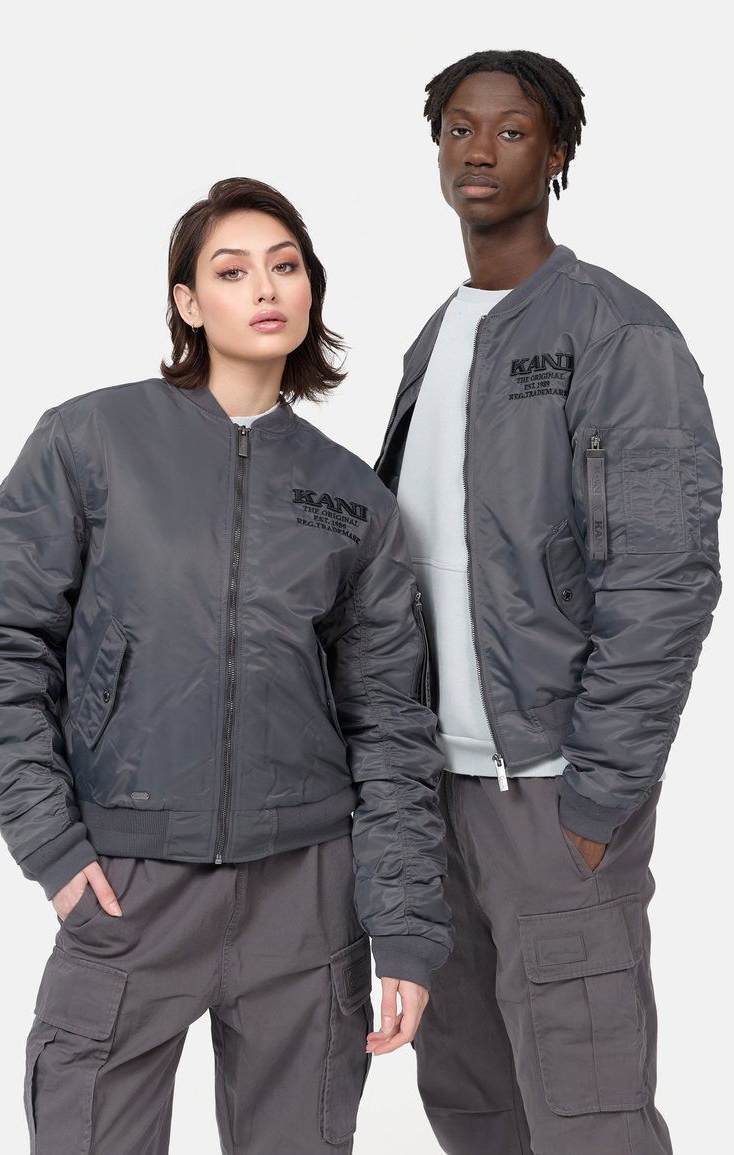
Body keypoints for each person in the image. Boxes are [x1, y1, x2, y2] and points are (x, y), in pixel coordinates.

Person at [0, 176, 452, 1155]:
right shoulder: (90, 441)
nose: (264, 287)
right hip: (129, 881)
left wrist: (406, 925)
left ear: (310, 290)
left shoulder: (351, 498)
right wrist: (53, 846)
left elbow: (390, 721)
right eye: (231, 270)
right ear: (186, 302)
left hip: (307, 893)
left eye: (285, 265)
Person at [374, 49, 722, 1155]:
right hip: (433, 794)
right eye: (458, 129)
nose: (478, 151)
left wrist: (597, 797)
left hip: (550, 793)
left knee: (588, 1113)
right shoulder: (434, 338)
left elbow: (664, 579)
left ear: (557, 152)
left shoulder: (616, 333)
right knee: (470, 1102)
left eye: (511, 130)